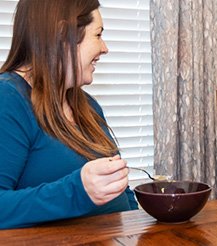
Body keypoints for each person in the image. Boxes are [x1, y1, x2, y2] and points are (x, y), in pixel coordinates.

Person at [0, 0, 137, 229]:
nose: (105, 48)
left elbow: (123, 193)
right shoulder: (9, 99)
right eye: (98, 35)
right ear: (64, 35)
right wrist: (78, 191)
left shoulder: (88, 106)